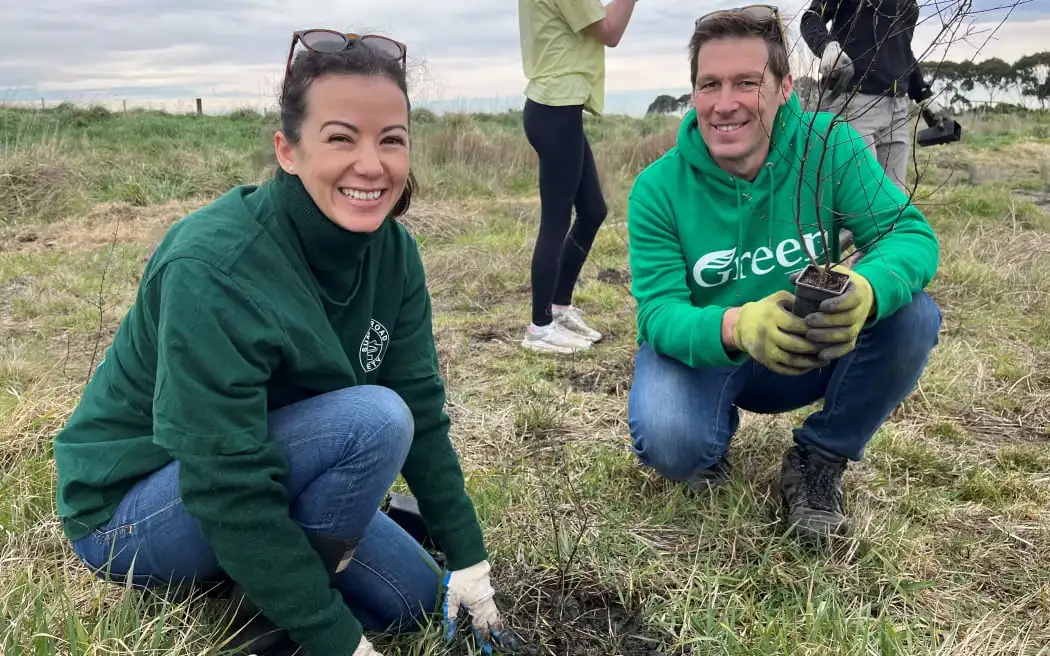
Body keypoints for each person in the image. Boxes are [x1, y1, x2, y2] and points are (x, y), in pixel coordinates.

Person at [52, 30, 517, 656]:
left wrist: (470, 558)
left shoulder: (395, 254)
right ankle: (266, 600)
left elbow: (424, 408)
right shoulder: (214, 265)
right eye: (340, 138)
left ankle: (273, 565)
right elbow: (226, 483)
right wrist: (334, 639)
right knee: (373, 420)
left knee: (413, 603)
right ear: (288, 151)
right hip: (138, 505)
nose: (371, 165)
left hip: (264, 463)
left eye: (391, 140)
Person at [624, 7, 942, 544]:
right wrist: (739, 326)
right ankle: (710, 439)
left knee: (913, 315)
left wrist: (866, 289)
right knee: (673, 444)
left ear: (785, 87)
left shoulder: (831, 146)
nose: (725, 104)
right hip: (714, 349)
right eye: (709, 85)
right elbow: (658, 314)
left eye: (747, 83)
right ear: (694, 92)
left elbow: (908, 236)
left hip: (811, 346)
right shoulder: (658, 188)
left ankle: (820, 459)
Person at [516, 0, 638, 354]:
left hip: (559, 107)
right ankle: (540, 328)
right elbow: (609, 31)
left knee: (593, 210)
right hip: (555, 107)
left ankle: (559, 307)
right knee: (555, 220)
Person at [800, 0, 949, 191]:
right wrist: (827, 47)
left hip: (897, 107)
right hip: (854, 100)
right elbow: (811, 18)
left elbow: (900, 48)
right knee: (859, 193)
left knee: (894, 198)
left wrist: (923, 95)